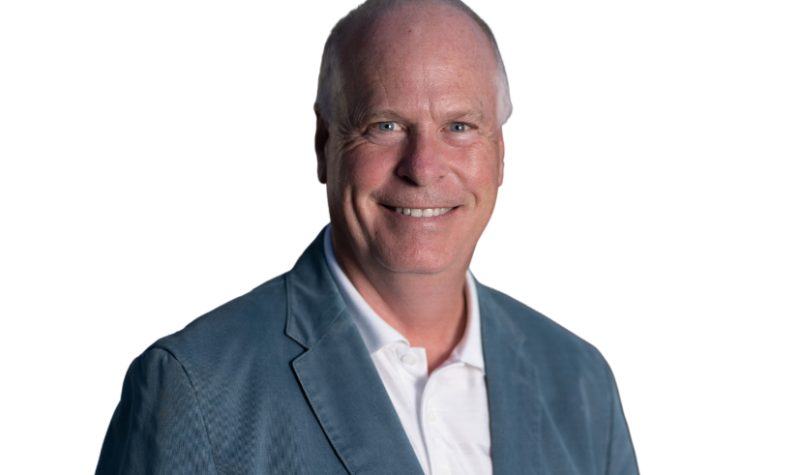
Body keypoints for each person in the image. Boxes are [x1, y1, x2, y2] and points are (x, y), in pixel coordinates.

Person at [96, 0, 639, 473]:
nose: (424, 168)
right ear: (323, 144)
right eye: (385, 125)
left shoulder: (580, 383)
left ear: (500, 152)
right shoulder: (194, 390)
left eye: (459, 127)